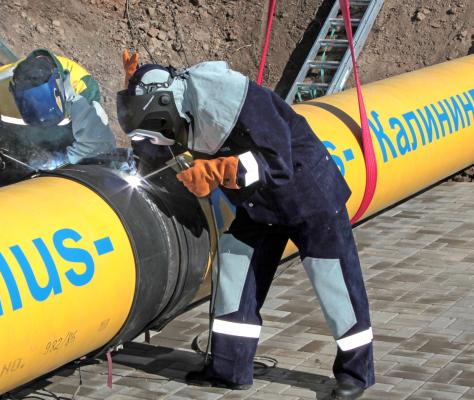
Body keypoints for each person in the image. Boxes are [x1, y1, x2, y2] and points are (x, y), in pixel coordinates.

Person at [116, 61, 374, 400]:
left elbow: (278, 161)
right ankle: (229, 369)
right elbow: (155, 149)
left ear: (167, 103)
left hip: (309, 197)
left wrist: (218, 171)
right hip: (258, 206)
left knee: (335, 282)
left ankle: (355, 374)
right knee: (235, 271)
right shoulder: (175, 113)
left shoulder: (241, 101)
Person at [0, 48, 116, 189]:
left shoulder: (80, 89)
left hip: (67, 159)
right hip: (15, 158)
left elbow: (99, 144)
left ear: (59, 89)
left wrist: (58, 167)